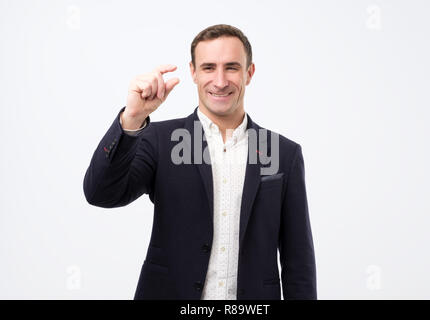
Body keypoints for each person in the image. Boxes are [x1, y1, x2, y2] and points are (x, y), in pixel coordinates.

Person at [83, 24, 316, 300]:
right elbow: (101, 193)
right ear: (193, 72)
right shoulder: (161, 140)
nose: (219, 81)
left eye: (231, 67)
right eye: (208, 68)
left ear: (249, 73)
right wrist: (131, 120)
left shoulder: (283, 154)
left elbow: (297, 261)